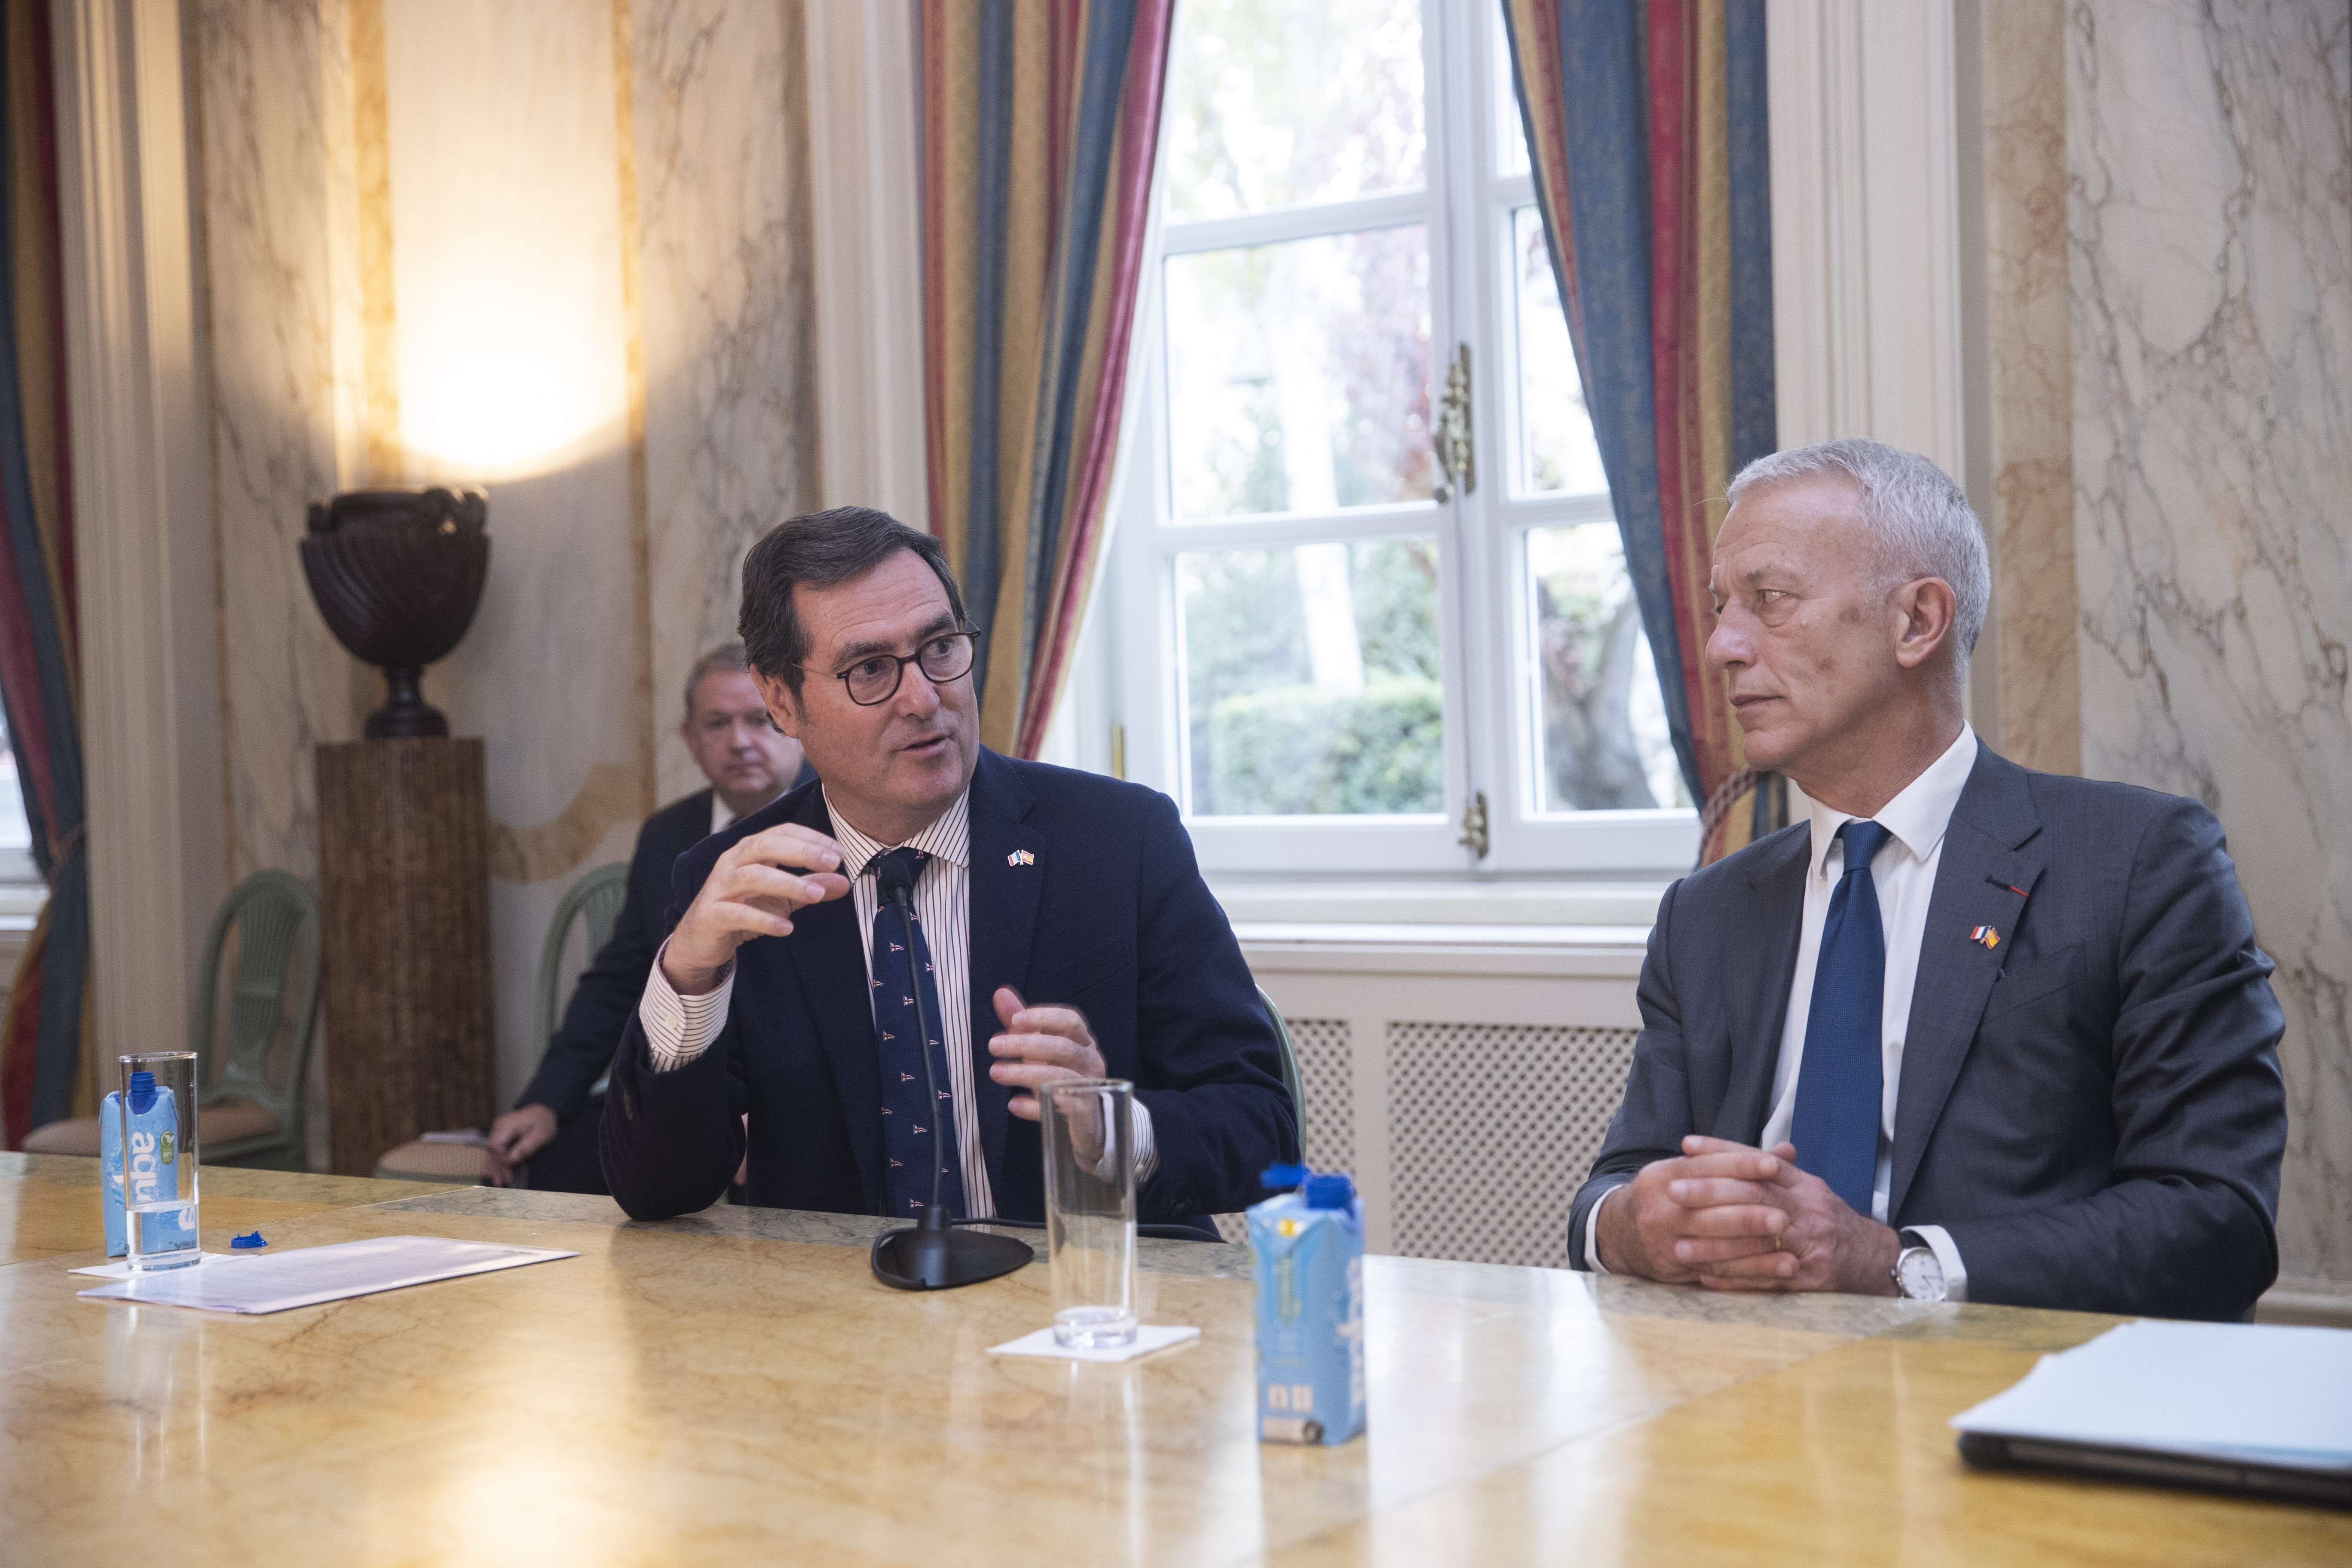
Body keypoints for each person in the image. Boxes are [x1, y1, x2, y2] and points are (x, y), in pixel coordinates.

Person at [1572, 439, 2285, 1321]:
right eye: (1721, 608)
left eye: (1770, 600)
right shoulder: (1707, 911)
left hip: (2013, 1396)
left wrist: (1893, 1264)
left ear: (1918, 622)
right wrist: (1627, 1229)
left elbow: (2217, 1221)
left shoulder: (2138, 862)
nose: (1722, 646)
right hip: (1739, 1389)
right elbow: (1617, 1184)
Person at [600, 506, 1295, 1228]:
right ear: (782, 699)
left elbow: (1263, 1129)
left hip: (1078, 1307)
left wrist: (1110, 1124)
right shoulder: (740, 883)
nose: (923, 697)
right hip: (842, 1324)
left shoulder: (1119, 842)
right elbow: (658, 1192)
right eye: (869, 668)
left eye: (939, 647)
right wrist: (688, 977)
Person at [484, 643, 815, 1191]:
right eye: (717, 723)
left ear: (791, 717)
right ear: (691, 738)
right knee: (547, 1169)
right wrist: (546, 1099)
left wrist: (770, 1117)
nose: (739, 741)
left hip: (802, 1100)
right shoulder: (669, 835)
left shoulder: (843, 822)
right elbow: (619, 983)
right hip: (685, 1089)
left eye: (759, 720)